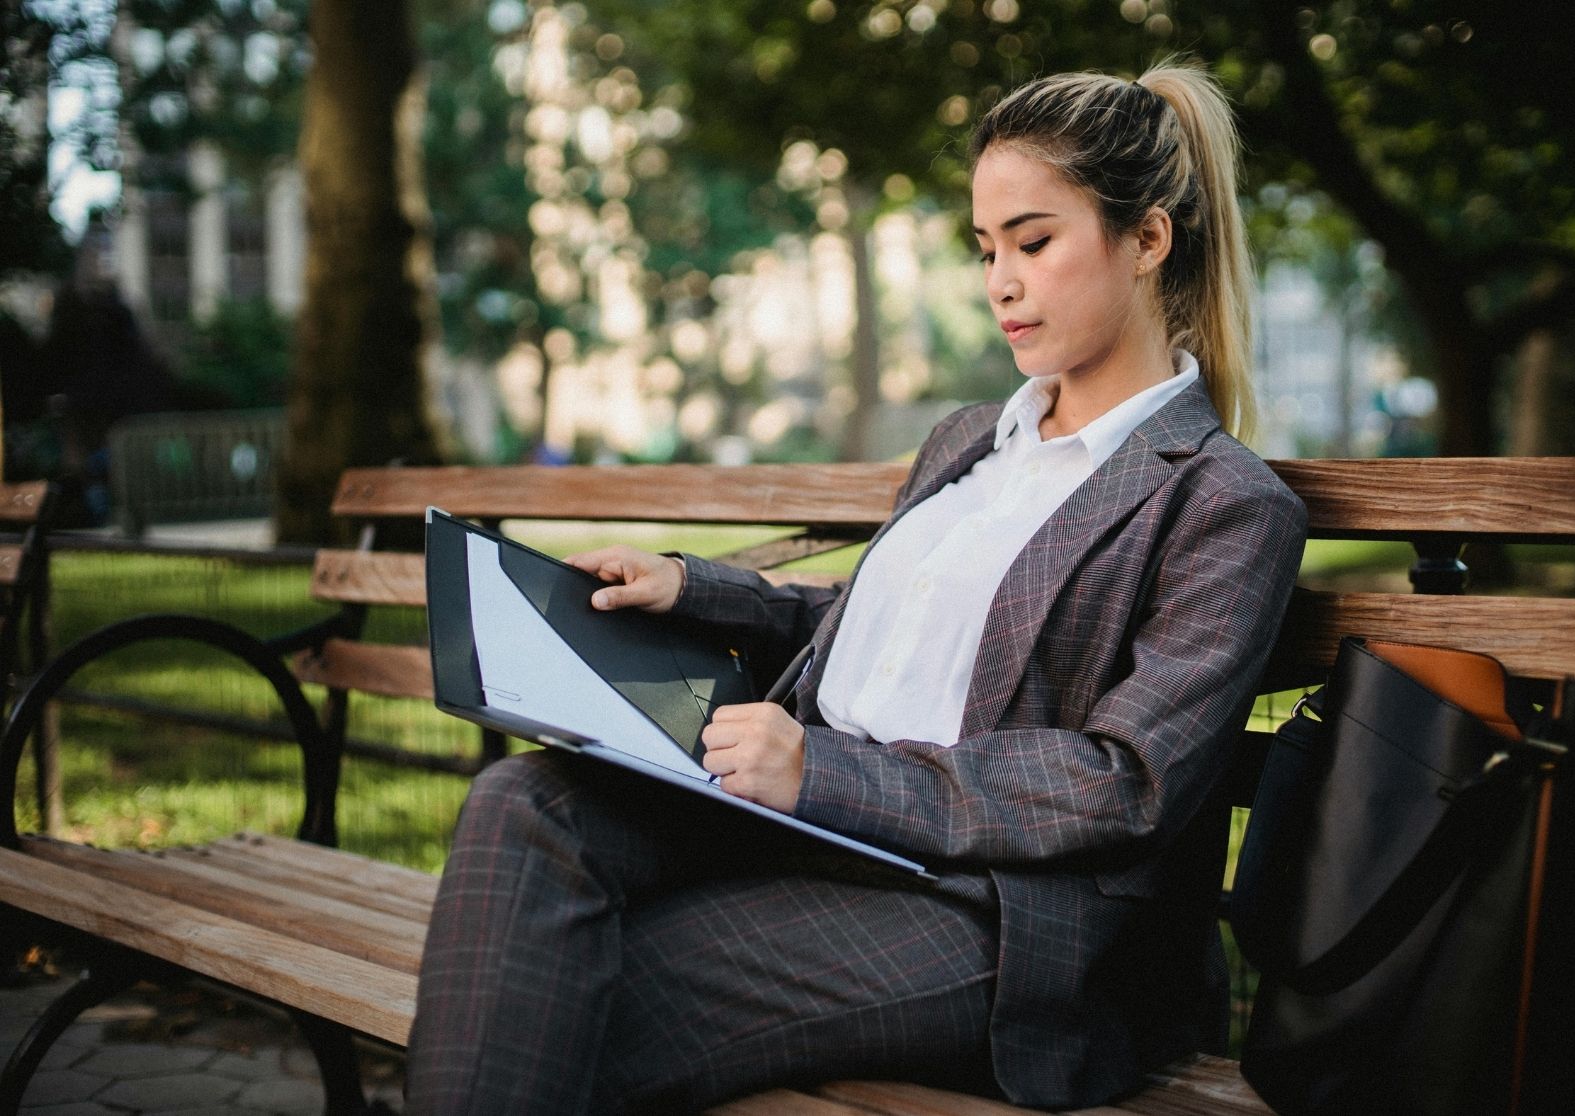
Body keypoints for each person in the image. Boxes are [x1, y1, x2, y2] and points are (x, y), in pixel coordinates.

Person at [407, 60, 1307, 1114]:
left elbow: (1125, 780)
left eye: (1033, 241)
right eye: (984, 250)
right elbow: (900, 632)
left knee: (555, 999)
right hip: (806, 826)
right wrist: (693, 589)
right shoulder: (976, 439)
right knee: (522, 802)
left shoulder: (1218, 501)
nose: (999, 282)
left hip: (993, 910)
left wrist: (828, 776)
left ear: (1147, 240)